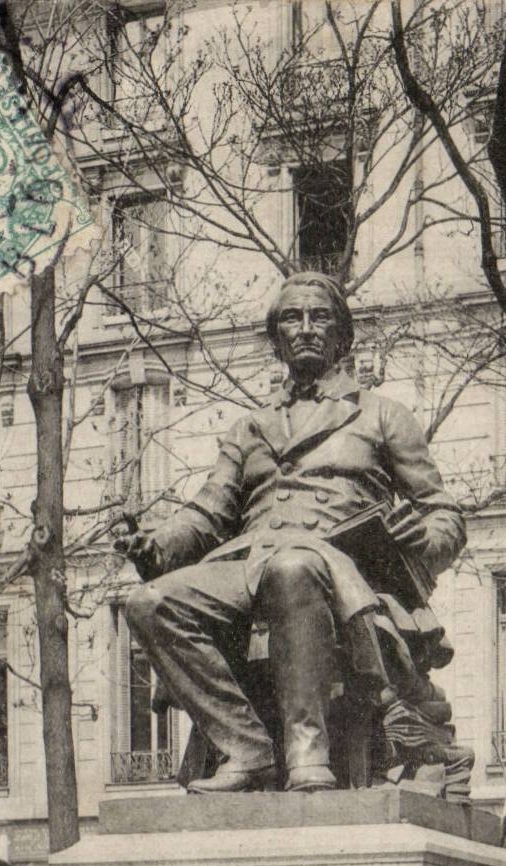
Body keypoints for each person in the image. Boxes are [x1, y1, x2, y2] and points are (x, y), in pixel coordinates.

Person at [120, 272, 467, 794]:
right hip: (249, 563)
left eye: (319, 316)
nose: (305, 329)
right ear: (276, 337)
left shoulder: (382, 416)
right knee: (148, 603)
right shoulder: (250, 428)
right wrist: (157, 543)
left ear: (342, 335)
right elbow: (207, 514)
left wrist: (422, 537)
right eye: (291, 318)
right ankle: (247, 748)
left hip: (339, 567)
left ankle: (309, 753)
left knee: (294, 566)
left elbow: (446, 515)